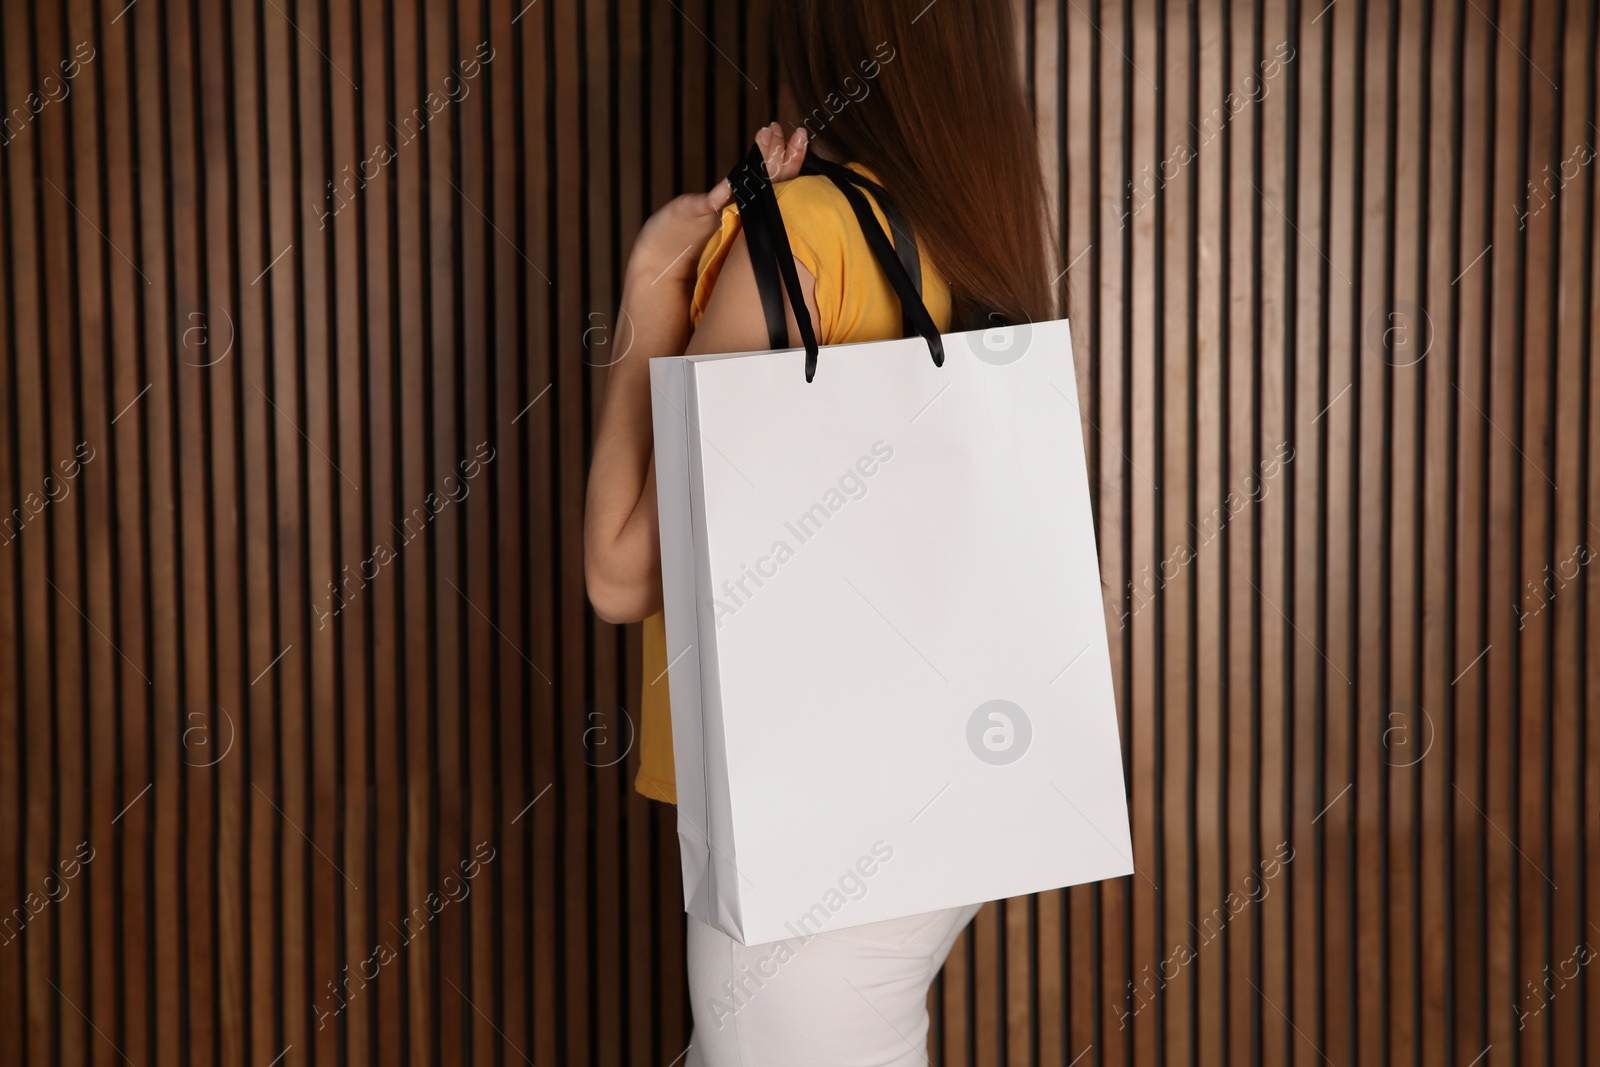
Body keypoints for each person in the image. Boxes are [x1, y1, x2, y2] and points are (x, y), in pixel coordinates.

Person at [583, 2, 1055, 1061]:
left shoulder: (799, 237)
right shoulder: (972, 227)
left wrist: (656, 280)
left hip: (811, 833)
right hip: (939, 809)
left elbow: (619, 570)